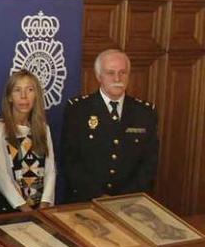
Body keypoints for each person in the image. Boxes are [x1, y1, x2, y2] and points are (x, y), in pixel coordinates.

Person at [61, 49, 158, 202]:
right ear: (99, 76)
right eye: (110, 73)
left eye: (123, 72)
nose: (117, 78)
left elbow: (149, 164)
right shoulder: (78, 110)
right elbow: (70, 160)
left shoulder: (145, 113)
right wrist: (98, 196)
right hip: (85, 200)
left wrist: (122, 199)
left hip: (129, 202)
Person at [0, 70, 55, 213]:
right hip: (9, 210)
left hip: (41, 210)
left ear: (36, 95)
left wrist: (44, 204)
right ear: (10, 97)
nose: (24, 96)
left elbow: (50, 170)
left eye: (30, 90)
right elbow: (1, 176)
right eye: (17, 90)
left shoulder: (44, 129)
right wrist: (24, 208)